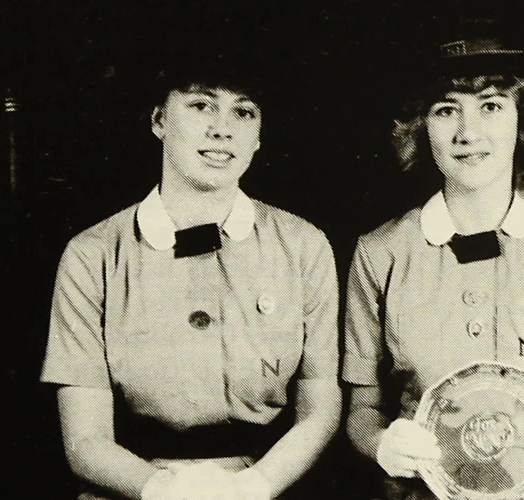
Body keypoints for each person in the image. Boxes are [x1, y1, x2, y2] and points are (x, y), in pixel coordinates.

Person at [342, 26, 524, 500]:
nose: (467, 133)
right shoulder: (380, 252)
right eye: (446, 110)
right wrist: (381, 444)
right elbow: (362, 410)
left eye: (491, 106)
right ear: (420, 126)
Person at [39, 60, 341, 500]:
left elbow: (320, 408)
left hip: (269, 485)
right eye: (201, 105)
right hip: (133, 488)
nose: (223, 129)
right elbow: (85, 442)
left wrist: (253, 488)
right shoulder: (92, 255)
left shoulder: (304, 245)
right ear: (159, 119)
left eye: (243, 112)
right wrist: (163, 490)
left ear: (258, 136)